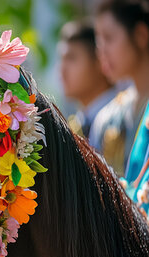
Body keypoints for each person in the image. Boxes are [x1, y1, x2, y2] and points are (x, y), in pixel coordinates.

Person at [95, 0, 149, 211]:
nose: (102, 50)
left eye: (109, 38)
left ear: (141, 35)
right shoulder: (109, 116)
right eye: (99, 40)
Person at [60, 21, 118, 142]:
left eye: (72, 58)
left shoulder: (122, 117)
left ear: (100, 61)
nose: (62, 70)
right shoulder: (76, 125)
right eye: (62, 60)